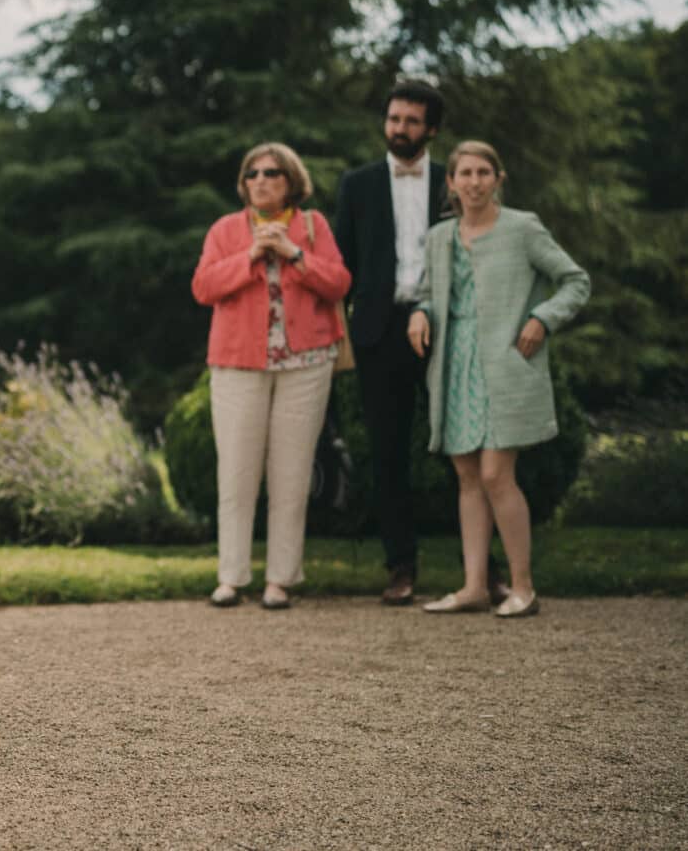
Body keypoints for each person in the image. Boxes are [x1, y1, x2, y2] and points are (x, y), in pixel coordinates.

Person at [333, 81, 505, 606]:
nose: (399, 128)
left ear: (431, 128)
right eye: (393, 118)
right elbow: (343, 267)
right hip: (380, 334)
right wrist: (343, 336)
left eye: (410, 120)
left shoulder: (452, 183)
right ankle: (400, 567)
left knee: (467, 448)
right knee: (388, 453)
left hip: (448, 329)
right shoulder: (356, 184)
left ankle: (484, 571)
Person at [408, 142, 589, 618]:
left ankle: (523, 588)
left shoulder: (522, 228)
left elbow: (575, 281)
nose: (473, 181)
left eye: (483, 172)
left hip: (504, 363)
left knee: (494, 474)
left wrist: (542, 318)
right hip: (453, 363)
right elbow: (430, 293)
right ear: (451, 182)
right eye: (464, 173)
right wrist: (421, 314)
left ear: (498, 178)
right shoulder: (440, 236)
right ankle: (473, 587)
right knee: (468, 477)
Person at [193, 144, 351, 610]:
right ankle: (231, 577)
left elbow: (339, 283)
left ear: (291, 181)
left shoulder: (313, 226)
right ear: (244, 184)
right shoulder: (226, 229)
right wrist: (250, 255)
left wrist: (293, 253)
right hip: (238, 364)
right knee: (238, 472)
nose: (261, 180)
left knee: (292, 475)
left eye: (272, 173)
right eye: (252, 174)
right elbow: (203, 286)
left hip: (306, 364)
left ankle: (280, 580)